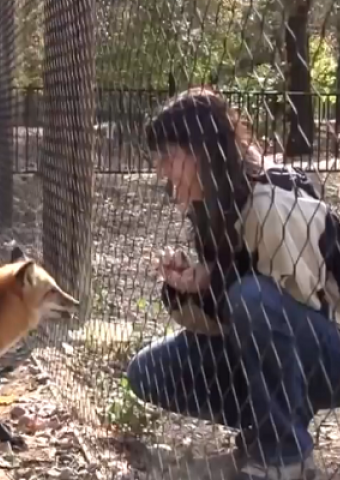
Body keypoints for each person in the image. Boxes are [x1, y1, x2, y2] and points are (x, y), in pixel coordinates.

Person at [126, 87, 340, 480]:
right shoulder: (216, 204)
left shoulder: (273, 204)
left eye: (169, 157)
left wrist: (225, 283)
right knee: (147, 370)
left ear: (204, 152)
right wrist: (195, 287)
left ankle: (285, 456)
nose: (161, 171)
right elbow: (226, 324)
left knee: (252, 299)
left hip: (330, 350)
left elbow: (300, 315)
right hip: (284, 333)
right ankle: (264, 435)